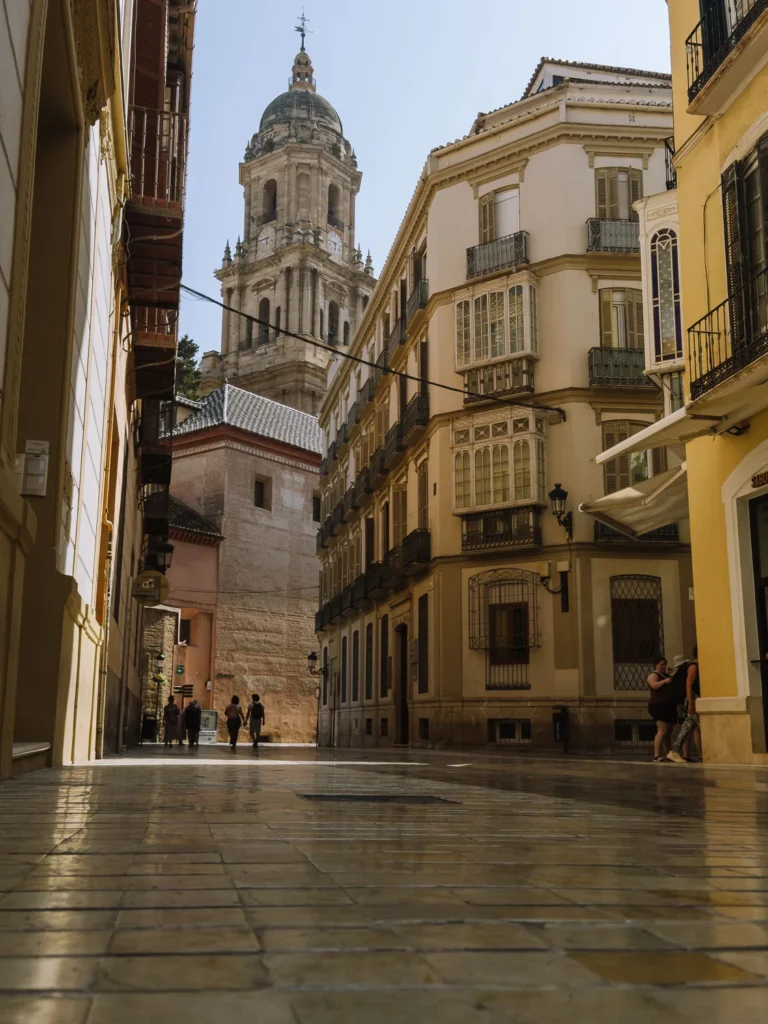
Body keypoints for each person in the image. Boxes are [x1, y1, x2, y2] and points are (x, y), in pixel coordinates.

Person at [667, 647, 700, 763]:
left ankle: (675, 750)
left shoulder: (695, 666)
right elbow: (689, 685)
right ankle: (675, 751)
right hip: (694, 701)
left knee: (689, 726)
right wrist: (691, 703)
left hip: (696, 701)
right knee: (688, 726)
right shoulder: (693, 667)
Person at [647, 656, 675, 762]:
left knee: (668, 732)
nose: (663, 666)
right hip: (658, 705)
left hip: (668, 705)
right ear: (656, 664)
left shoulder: (666, 675)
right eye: (661, 664)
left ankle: (669, 753)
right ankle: (657, 755)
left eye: (665, 664)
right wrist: (664, 681)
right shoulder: (653, 675)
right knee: (662, 730)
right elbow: (653, 685)